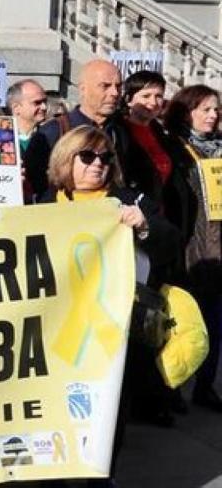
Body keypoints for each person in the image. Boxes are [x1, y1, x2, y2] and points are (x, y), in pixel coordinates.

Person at [42, 124, 183, 437]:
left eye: (105, 157)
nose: (98, 163)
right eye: (88, 156)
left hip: (113, 330)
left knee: (107, 413)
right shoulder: (44, 203)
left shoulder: (130, 201)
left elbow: (171, 242)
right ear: (66, 160)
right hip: (57, 328)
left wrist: (144, 226)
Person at [163, 84, 222, 411]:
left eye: (216, 110)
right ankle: (172, 385)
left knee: (215, 323)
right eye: (205, 110)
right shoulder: (174, 148)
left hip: (218, 246)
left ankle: (205, 385)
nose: (213, 116)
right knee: (181, 321)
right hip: (187, 246)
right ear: (187, 112)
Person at [24, 59, 130, 200]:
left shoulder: (120, 131)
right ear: (83, 89)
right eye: (105, 86)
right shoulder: (52, 132)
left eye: (118, 86)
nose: (115, 93)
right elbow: (35, 186)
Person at [118, 70, 196, 252]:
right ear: (129, 99)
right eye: (146, 96)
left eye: (158, 96)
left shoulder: (161, 133)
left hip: (162, 216)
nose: (152, 102)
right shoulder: (119, 130)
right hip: (134, 216)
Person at [6, 79, 48, 153]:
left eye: (45, 101)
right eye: (37, 102)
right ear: (16, 108)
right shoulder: (1, 138)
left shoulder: (49, 136)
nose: (44, 107)